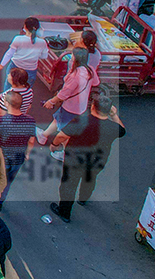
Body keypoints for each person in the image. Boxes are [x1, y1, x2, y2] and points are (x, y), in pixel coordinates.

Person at [51, 92, 126, 222]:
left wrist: (54, 144)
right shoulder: (113, 127)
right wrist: (114, 115)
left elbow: (62, 136)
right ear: (109, 111)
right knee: (90, 179)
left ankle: (64, 212)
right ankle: (83, 198)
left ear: (92, 107)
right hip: (98, 161)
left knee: (69, 185)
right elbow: (123, 130)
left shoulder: (81, 121)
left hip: (75, 160)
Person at [40, 47, 97, 158]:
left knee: (65, 132)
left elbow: (63, 94)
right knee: (58, 119)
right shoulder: (90, 70)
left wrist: (50, 102)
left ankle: (65, 154)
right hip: (81, 106)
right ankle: (44, 135)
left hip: (70, 106)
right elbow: (95, 82)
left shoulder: (75, 76)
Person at [0, 90, 36, 209]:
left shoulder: (1, 121)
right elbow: (31, 140)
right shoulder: (30, 120)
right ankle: (0, 203)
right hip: (18, 158)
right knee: (7, 182)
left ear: (7, 103)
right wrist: (27, 154)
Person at [0, 16, 47, 88]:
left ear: (25, 27)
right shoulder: (42, 42)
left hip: (15, 67)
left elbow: (9, 53)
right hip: (30, 71)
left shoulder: (18, 39)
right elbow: (44, 56)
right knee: (25, 90)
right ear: (37, 28)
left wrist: (1, 65)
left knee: (9, 88)